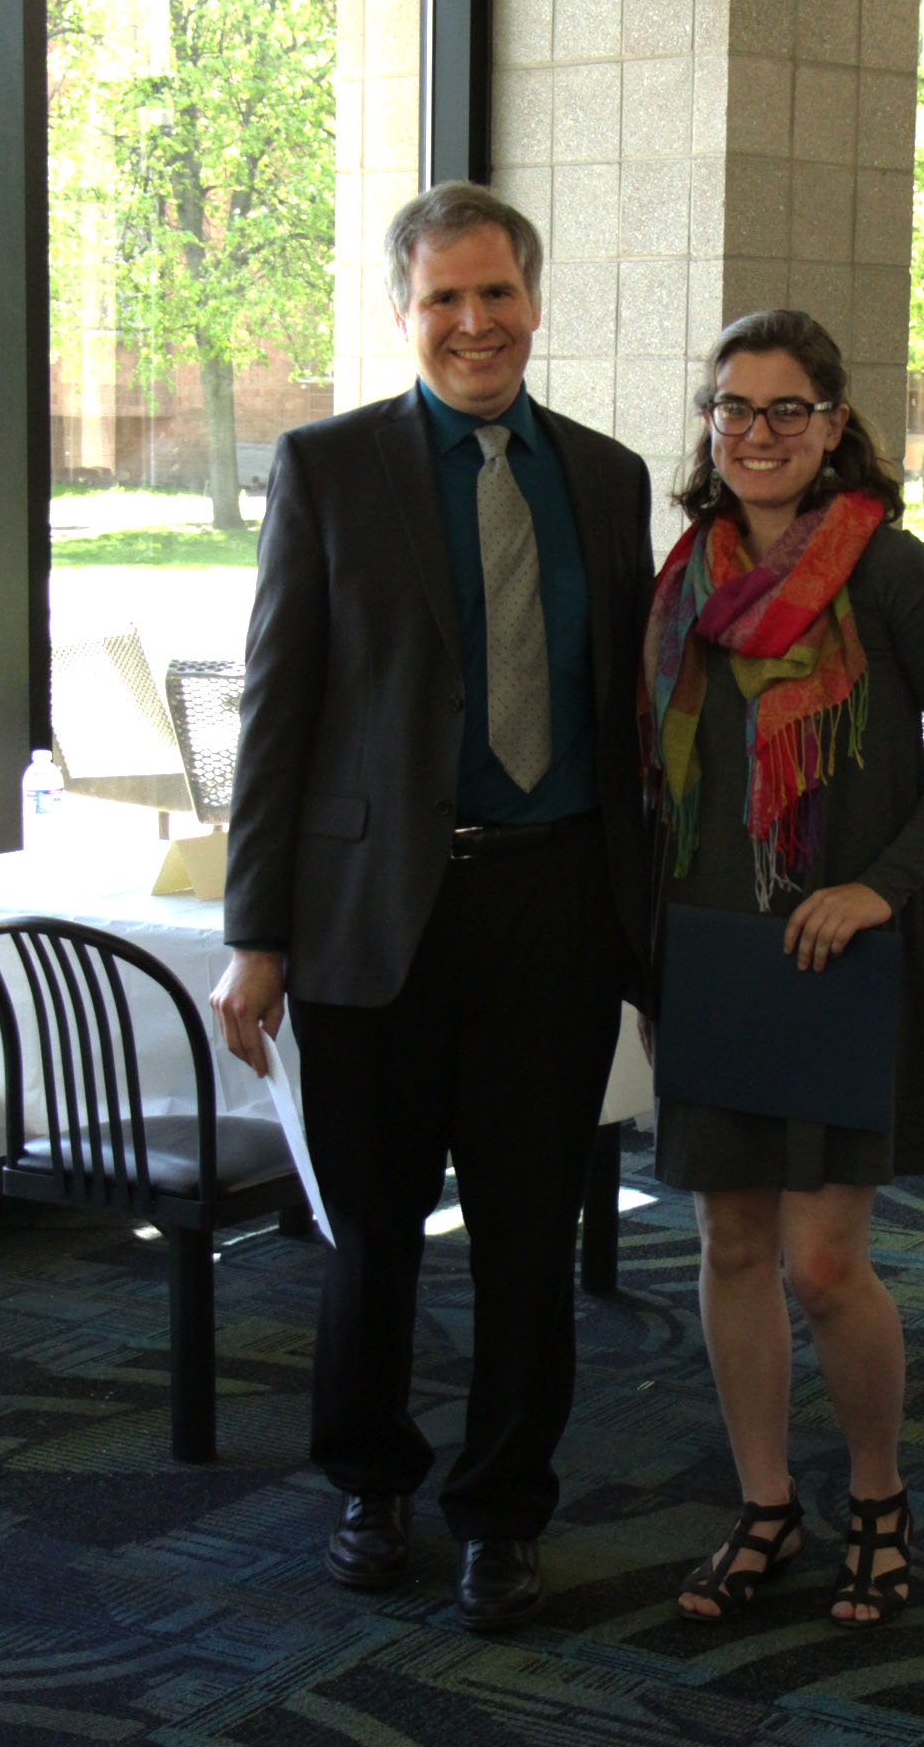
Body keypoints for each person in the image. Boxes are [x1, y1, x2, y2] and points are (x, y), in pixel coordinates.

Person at [212, 181, 653, 1630]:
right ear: (403, 315)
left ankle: (504, 1511)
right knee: (376, 1233)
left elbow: (630, 721)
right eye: (444, 298)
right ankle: (369, 1480)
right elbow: (277, 716)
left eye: (496, 293)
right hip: (369, 921)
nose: (475, 322)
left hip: (554, 910)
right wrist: (257, 934)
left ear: (534, 301)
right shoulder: (327, 466)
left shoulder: (607, 478)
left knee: (530, 1235)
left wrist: (648, 933)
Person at [640, 309, 924, 1626]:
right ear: (710, 424)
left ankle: (877, 1498)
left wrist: (878, 886)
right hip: (712, 947)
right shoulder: (685, 578)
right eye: (734, 408)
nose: (758, 432)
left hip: (841, 952)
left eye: (787, 409)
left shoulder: (889, 568)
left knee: (825, 1267)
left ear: (835, 423)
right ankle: (765, 1505)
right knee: (732, 1243)